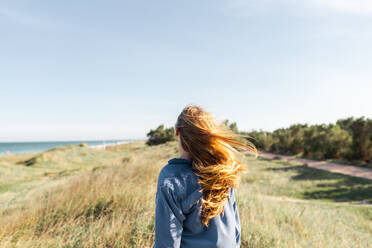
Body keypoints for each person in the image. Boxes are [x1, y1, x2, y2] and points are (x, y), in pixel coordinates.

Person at [153, 105, 257, 248]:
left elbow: (167, 244)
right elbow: (235, 229)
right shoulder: (222, 170)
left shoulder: (171, 178)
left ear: (177, 131)